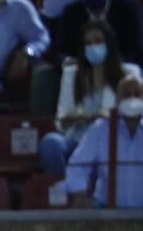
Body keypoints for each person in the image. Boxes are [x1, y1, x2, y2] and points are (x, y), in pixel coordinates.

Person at [39, 21, 139, 177]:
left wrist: (107, 117)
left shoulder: (128, 73)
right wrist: (75, 118)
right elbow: (61, 121)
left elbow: (135, 114)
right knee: (51, 143)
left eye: (98, 41)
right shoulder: (71, 74)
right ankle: (65, 191)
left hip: (109, 140)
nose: (93, 47)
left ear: (109, 44)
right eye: (88, 43)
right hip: (76, 139)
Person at [65, 74, 143, 208]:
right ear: (117, 99)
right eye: (127, 94)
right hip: (106, 206)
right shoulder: (101, 129)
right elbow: (77, 164)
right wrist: (80, 194)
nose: (132, 98)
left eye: (137, 94)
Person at [51, 0, 143, 68]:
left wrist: (109, 64)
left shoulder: (128, 7)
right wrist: (68, 61)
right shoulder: (71, 12)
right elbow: (60, 53)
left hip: (121, 71)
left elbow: (137, 51)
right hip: (82, 76)